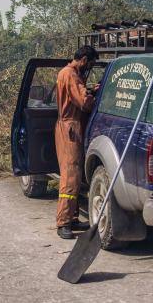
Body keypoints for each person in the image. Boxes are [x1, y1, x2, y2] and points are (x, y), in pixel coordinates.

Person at [55, 46, 98, 240]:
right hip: (70, 128)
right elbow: (84, 102)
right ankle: (63, 222)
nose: (89, 67)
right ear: (83, 60)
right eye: (90, 63)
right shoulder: (71, 75)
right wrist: (95, 96)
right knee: (70, 175)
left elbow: (78, 95)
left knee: (75, 173)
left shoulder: (68, 73)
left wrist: (89, 89)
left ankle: (72, 217)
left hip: (69, 126)